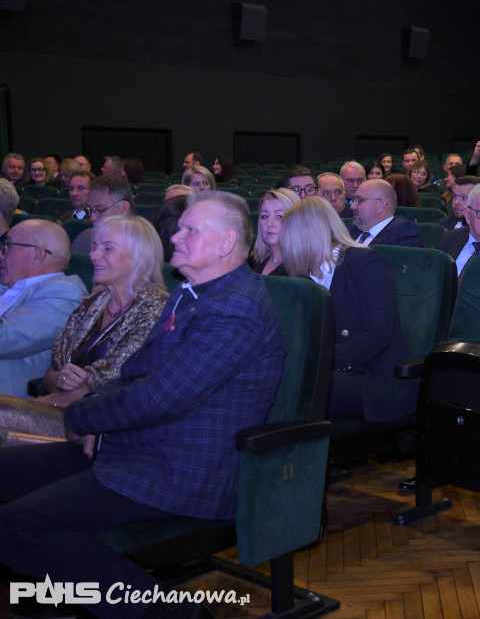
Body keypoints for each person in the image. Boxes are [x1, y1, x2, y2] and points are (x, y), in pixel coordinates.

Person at [0, 191, 285, 618]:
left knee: (14, 526)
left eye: (192, 230)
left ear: (226, 243)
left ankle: (171, 614)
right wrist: (100, 417)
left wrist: (81, 416)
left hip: (181, 471)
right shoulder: (191, 293)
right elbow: (134, 374)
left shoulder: (235, 308)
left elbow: (161, 398)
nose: (176, 238)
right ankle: (64, 597)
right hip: (137, 448)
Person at [0, 216, 168, 441]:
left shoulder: (155, 309)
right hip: (58, 411)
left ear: (139, 256)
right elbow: (51, 373)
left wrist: (50, 400)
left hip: (100, 426)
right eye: (95, 247)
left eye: (107, 248)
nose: (94, 255)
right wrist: (60, 380)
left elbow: (115, 384)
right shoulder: (92, 304)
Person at [280, 196, 414, 422]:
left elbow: (378, 335)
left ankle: (295, 453)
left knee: (298, 386)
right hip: (330, 370)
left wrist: (319, 362)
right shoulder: (302, 276)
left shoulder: (366, 262)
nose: (287, 249)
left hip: (371, 376)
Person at [0, 219, 87, 399]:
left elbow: (6, 339)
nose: (2, 255)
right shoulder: (9, 286)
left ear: (38, 255)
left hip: (11, 405)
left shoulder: (66, 293)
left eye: (7, 246)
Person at [70, 174, 135, 254]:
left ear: (124, 208)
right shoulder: (83, 240)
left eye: (100, 210)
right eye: (91, 210)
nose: (92, 218)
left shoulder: (144, 247)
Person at [350, 178, 423, 247]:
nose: (352, 206)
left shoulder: (404, 232)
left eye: (359, 200)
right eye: (354, 200)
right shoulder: (349, 229)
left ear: (380, 205)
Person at [250, 188, 301, 276]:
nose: (269, 223)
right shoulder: (251, 263)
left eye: (279, 216)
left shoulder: (302, 270)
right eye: (265, 216)